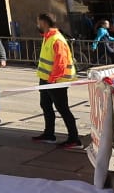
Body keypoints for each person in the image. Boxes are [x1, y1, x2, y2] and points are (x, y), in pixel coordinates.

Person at [34, 12, 82, 150]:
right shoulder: (48, 37)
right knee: (46, 105)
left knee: (63, 109)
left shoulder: (56, 39)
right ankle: (49, 134)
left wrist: (52, 80)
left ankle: (74, 139)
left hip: (56, 81)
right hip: (46, 79)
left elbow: (60, 63)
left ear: (44, 23)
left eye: (38, 22)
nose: (37, 25)